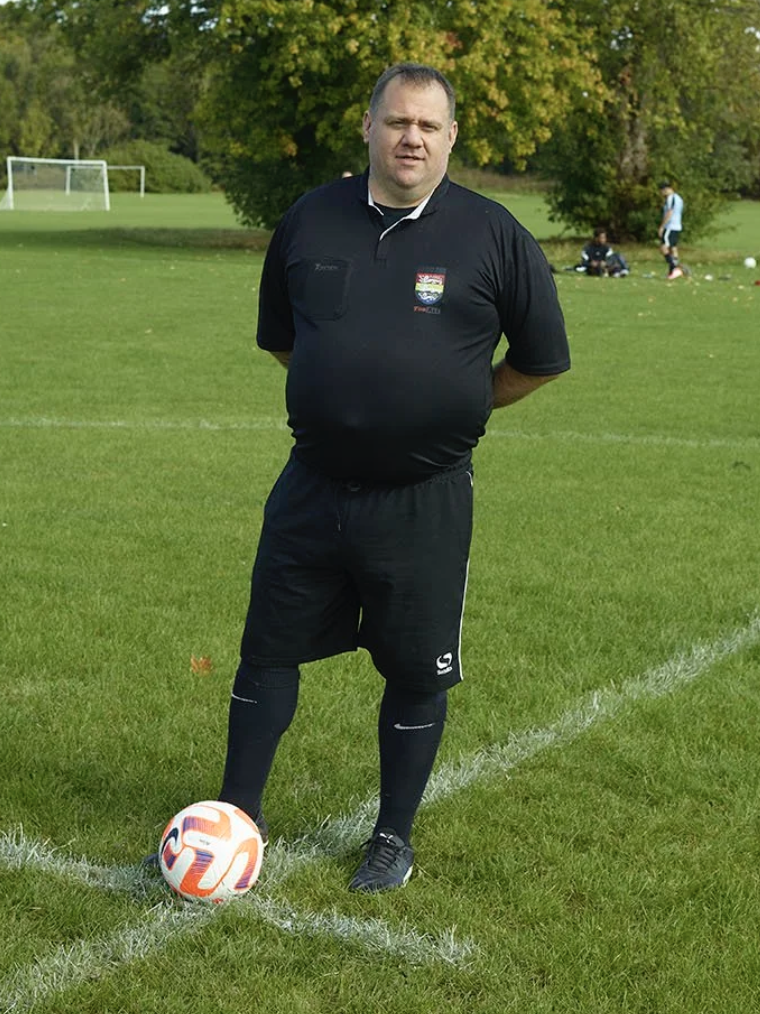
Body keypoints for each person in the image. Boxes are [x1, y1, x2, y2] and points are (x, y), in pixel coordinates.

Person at [220, 63, 571, 892]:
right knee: (266, 651)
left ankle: (392, 836)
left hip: (424, 500)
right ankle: (236, 817)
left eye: (429, 126)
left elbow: (542, 360)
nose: (411, 137)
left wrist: (456, 405)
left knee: (415, 669)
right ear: (369, 127)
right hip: (311, 485)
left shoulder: (494, 236)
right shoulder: (311, 218)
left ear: (452, 138)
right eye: (396, 121)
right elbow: (283, 340)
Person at [659, 181, 685, 281]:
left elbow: (670, 212)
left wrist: (662, 226)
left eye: (662, 191)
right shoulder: (679, 198)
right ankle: (672, 273)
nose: (661, 194)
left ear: (665, 189)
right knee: (673, 249)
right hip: (677, 226)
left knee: (663, 247)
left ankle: (675, 268)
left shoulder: (671, 198)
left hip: (670, 226)